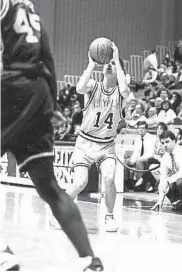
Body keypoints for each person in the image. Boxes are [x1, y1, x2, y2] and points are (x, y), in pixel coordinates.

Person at [1, 0, 103, 271]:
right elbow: (47, 58)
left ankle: (3, 253)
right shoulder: (31, 12)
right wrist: (53, 106)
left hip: (8, 91)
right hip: (38, 95)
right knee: (49, 187)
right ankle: (89, 260)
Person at [67, 43, 130, 232]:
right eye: (107, 63)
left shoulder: (121, 94)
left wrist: (117, 59)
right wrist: (91, 64)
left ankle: (109, 217)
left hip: (106, 145)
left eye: (113, 64)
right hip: (85, 143)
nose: (108, 65)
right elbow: (79, 88)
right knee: (80, 183)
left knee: (110, 178)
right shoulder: (93, 86)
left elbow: (126, 90)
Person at [126, 121, 158, 192]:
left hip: (150, 159)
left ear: (146, 129)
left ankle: (140, 186)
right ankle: (127, 184)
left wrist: (138, 160)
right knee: (127, 162)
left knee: (139, 162)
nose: (141, 130)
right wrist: (131, 161)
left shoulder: (152, 138)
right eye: (139, 128)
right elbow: (136, 152)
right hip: (141, 158)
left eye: (143, 128)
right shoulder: (138, 138)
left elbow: (150, 153)